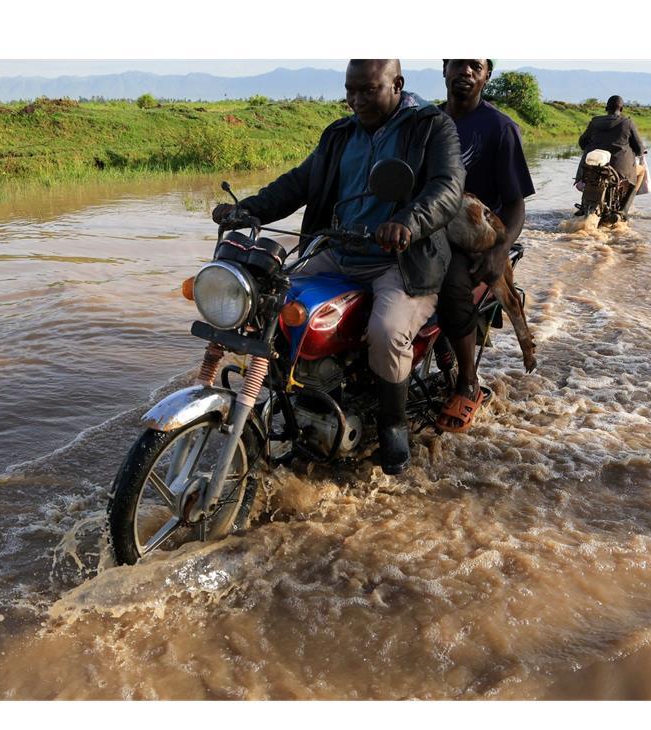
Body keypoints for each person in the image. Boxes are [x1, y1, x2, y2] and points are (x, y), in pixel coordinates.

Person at [212, 59, 465, 475]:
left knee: (386, 333)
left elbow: (447, 186)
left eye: (369, 90)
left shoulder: (431, 126)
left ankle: (392, 424)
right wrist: (248, 210)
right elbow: (298, 183)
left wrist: (408, 222)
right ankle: (290, 395)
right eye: (350, 90)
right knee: (265, 303)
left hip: (401, 259)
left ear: (397, 84)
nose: (356, 100)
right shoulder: (340, 133)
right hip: (338, 250)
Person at [434, 58, 536, 433]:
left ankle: (468, 382)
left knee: (452, 286)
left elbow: (515, 204)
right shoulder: (425, 121)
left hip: (470, 239)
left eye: (476, 66)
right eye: (459, 63)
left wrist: (499, 251)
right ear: (444, 67)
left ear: (486, 75)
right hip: (423, 226)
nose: (467, 72)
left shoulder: (499, 128)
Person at [577, 95, 646, 216]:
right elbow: (639, 148)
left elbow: (582, 142)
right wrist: (638, 152)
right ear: (622, 109)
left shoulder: (595, 121)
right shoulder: (627, 122)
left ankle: (584, 206)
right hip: (620, 169)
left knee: (590, 177)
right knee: (641, 172)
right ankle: (624, 210)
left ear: (606, 108)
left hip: (592, 166)